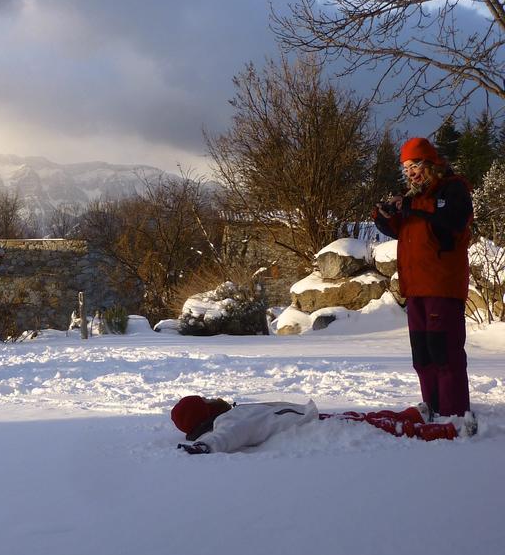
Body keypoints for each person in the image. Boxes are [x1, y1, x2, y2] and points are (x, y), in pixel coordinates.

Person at [374, 137, 475, 425]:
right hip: (416, 285)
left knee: (444, 350)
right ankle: (432, 406)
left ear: (429, 163)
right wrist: (385, 215)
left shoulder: (453, 189)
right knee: (423, 353)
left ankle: (453, 413)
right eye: (405, 167)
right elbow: (402, 230)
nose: (410, 173)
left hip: (442, 284)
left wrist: (412, 206)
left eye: (414, 165)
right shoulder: (414, 198)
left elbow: (452, 220)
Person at [171, 395, 468, 455]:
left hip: (309, 420)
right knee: (381, 428)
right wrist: (205, 446)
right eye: (207, 400)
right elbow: (229, 436)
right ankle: (450, 431)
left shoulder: (228, 415)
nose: (215, 398)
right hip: (308, 428)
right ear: (206, 412)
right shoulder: (227, 421)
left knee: (367, 419)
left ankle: (413, 415)